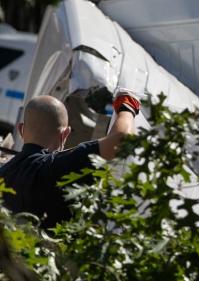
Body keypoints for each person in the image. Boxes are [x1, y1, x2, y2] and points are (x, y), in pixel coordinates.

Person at [0, 92, 140, 228]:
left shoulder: (3, 172)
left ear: (21, 130)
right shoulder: (60, 166)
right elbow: (122, 140)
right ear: (65, 134)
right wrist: (127, 107)